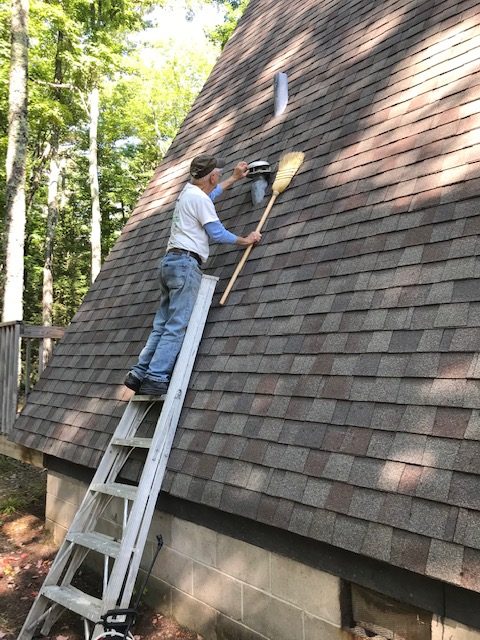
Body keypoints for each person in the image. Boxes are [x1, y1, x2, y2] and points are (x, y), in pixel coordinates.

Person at [124, 154, 262, 396]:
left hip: (169, 264)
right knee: (177, 325)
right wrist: (246, 240)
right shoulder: (199, 199)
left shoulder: (188, 192)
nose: (219, 175)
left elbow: (210, 195)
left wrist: (233, 179)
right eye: (218, 173)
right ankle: (155, 376)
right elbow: (216, 233)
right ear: (210, 176)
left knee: (162, 324)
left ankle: (139, 372)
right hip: (186, 264)